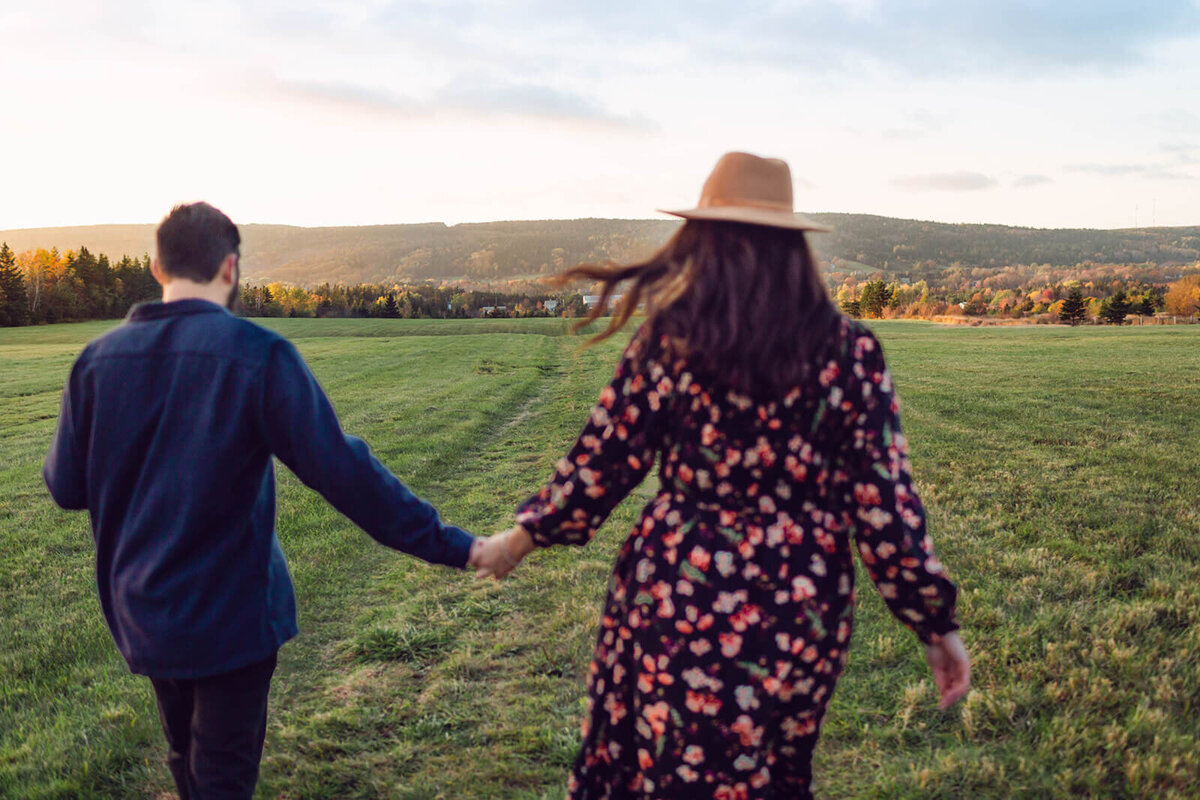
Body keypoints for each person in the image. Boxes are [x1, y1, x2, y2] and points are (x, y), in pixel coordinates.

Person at [473, 152, 970, 799]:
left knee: (661, 768)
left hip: (679, 586)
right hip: (799, 604)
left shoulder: (672, 340)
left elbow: (601, 464)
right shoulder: (851, 351)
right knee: (769, 778)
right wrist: (935, 625)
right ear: (795, 247)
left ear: (703, 237)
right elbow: (887, 510)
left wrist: (518, 540)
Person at [43, 202, 481, 800]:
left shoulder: (94, 363)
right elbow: (345, 473)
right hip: (234, 617)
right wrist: (458, 547)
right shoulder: (258, 355)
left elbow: (65, 487)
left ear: (155, 267)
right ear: (230, 269)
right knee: (223, 773)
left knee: (183, 755)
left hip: (144, 614)